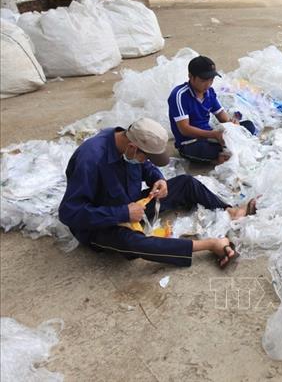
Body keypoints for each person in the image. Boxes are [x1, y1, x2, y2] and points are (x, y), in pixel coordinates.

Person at [58, 118, 256, 269]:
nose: (145, 161)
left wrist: (157, 179)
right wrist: (122, 214)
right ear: (133, 148)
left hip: (132, 205)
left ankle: (229, 210)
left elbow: (146, 166)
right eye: (145, 157)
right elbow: (69, 213)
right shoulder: (90, 159)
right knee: (132, 243)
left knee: (185, 182)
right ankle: (211, 245)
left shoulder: (130, 147)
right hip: (100, 224)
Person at [168, 55, 257, 164]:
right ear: (191, 76)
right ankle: (222, 154)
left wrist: (232, 123)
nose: (208, 84)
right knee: (205, 150)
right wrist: (214, 135)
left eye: (211, 80)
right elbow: (184, 129)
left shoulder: (209, 92)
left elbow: (223, 118)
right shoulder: (179, 95)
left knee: (248, 126)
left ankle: (225, 152)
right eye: (203, 80)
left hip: (210, 135)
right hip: (190, 142)